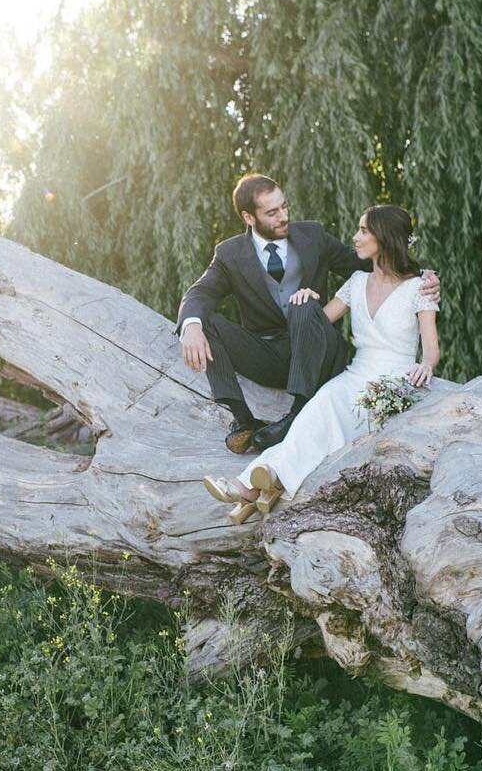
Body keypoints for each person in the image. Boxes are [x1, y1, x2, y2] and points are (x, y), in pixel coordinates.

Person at [203, 205, 440, 522]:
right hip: (353, 375)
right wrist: (306, 302)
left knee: (326, 429)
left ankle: (252, 484)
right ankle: (259, 483)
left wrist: (425, 366)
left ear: (383, 238)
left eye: (363, 231)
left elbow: (432, 349)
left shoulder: (418, 288)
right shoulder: (357, 282)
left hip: (392, 383)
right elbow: (320, 325)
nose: (355, 237)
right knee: (318, 410)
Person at [177, 174, 439, 453]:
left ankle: (297, 413)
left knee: (303, 304)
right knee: (202, 322)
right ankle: (242, 421)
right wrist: (190, 326)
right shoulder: (229, 254)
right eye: (272, 212)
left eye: (284, 206)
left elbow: (368, 264)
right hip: (269, 354)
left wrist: (420, 277)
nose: (283, 216)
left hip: (319, 350)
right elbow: (199, 293)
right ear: (248, 217)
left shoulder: (312, 236)